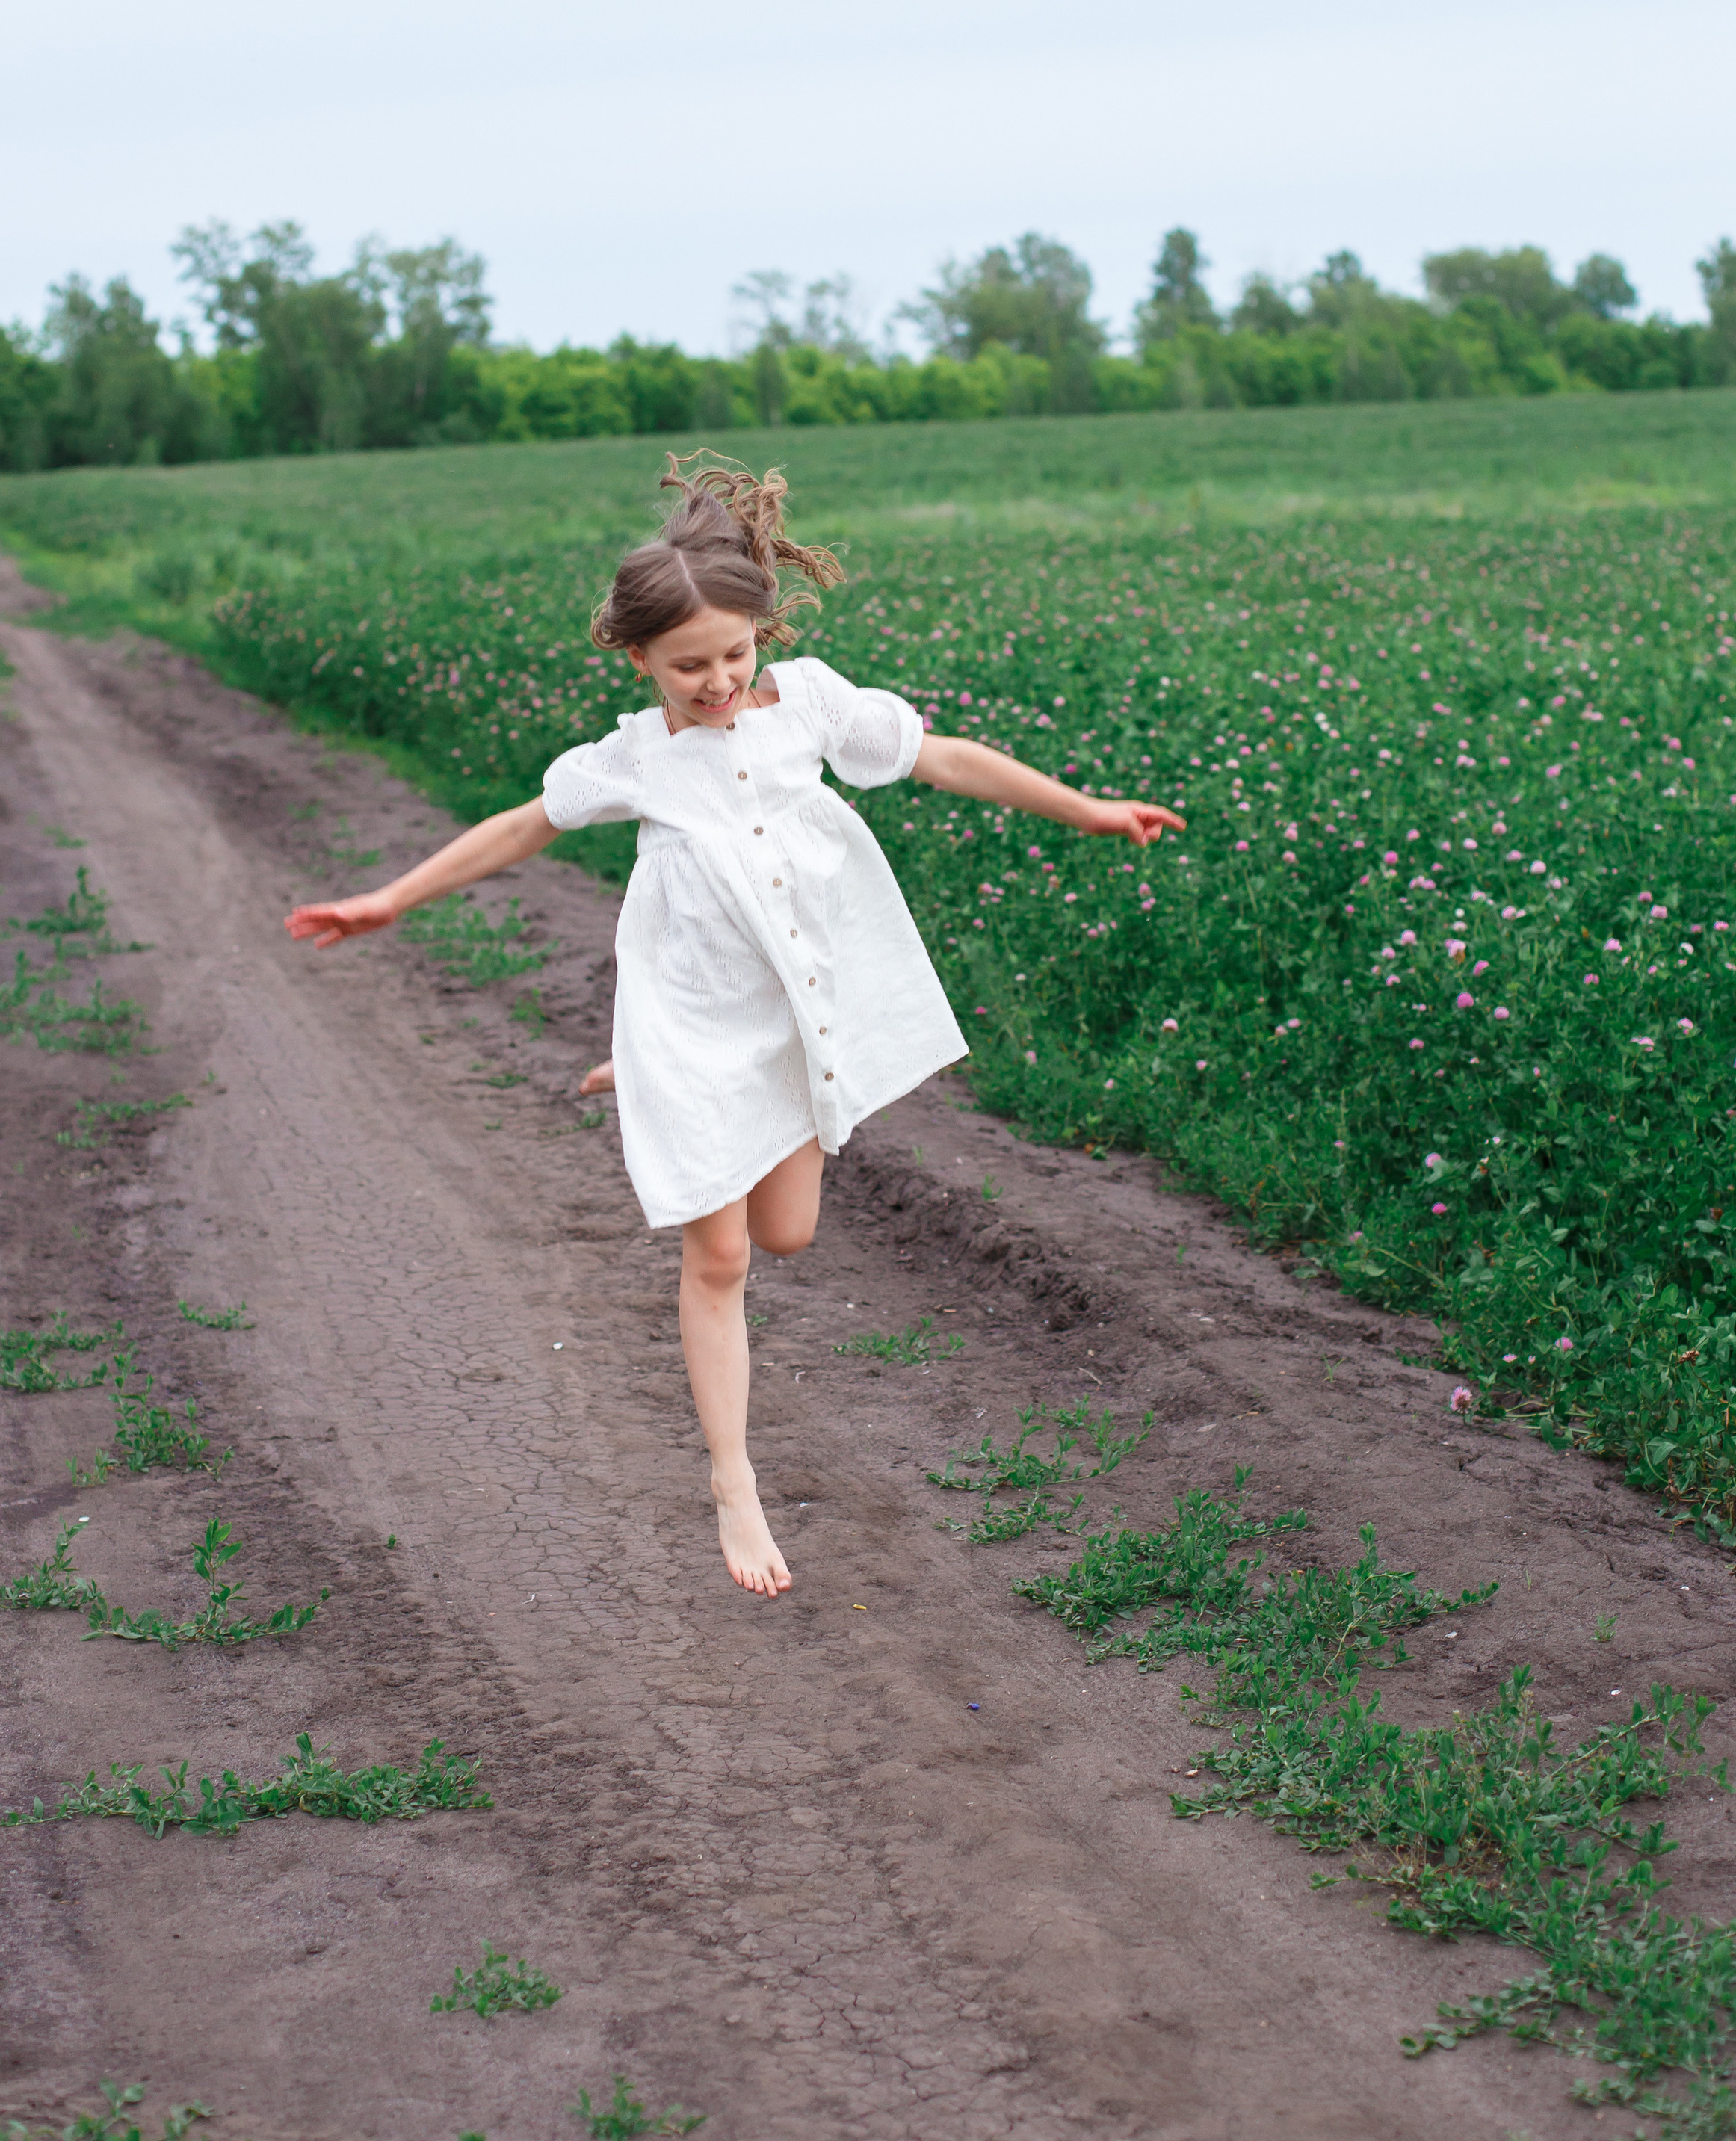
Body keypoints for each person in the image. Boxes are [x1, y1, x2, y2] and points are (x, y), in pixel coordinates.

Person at [285, 457, 1182, 1600]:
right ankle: (732, 1483)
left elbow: (940, 758)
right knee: (722, 1256)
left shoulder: (807, 702)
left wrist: (1088, 808)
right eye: (686, 665)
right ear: (635, 657)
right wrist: (386, 901)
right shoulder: (633, 759)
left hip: (788, 1023)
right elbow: (517, 830)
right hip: (694, 1011)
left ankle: (646, 1073)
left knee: (793, 1233)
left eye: (732, 655)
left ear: (760, 634)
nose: (715, 682)